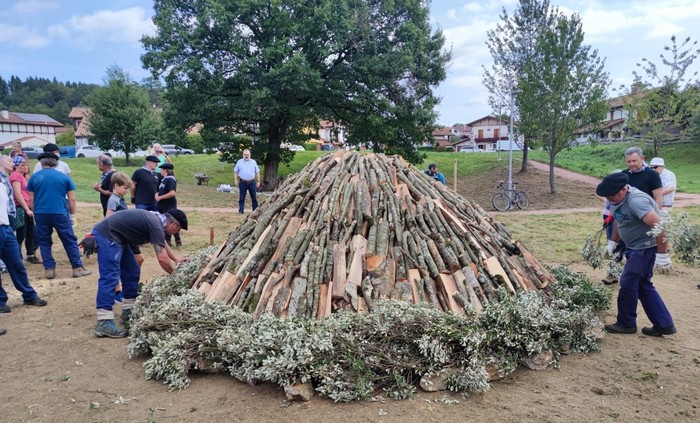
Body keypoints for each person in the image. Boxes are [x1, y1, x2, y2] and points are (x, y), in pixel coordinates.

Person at [596, 172, 676, 337]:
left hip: (645, 248)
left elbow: (659, 227)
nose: (610, 200)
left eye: (612, 197)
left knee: (628, 281)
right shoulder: (617, 199)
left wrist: (662, 255)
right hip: (634, 247)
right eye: (607, 198)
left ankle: (626, 323)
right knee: (642, 285)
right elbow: (619, 218)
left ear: (624, 189)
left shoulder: (637, 201)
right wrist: (613, 242)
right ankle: (664, 324)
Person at [91, 208, 189, 338]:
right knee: (110, 277)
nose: (177, 232)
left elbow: (163, 243)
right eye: (179, 229)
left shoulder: (157, 221)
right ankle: (104, 322)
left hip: (120, 238)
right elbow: (162, 258)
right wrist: (175, 275)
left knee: (132, 271)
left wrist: (176, 259)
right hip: (108, 235)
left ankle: (128, 311)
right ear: (173, 224)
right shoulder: (156, 224)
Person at [27, 153, 91, 280]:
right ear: (56, 163)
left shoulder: (34, 178)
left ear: (41, 163)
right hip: (60, 212)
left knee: (44, 242)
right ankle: (77, 268)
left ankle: (49, 270)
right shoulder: (64, 177)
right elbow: (71, 199)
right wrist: (72, 213)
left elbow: (31, 199)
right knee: (69, 240)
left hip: (41, 213)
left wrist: (36, 211)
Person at [0, 155, 48, 314]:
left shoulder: (5, 180)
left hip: (6, 228)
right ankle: (1, 301)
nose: (11, 162)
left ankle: (29, 295)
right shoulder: (9, 178)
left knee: (16, 263)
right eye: (8, 160)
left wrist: (10, 223)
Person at [621, 147, 670, 272]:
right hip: (629, 217)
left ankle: (657, 261)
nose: (631, 164)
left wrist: (654, 218)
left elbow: (658, 200)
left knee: (645, 247)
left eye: (634, 161)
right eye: (628, 161)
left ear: (642, 159)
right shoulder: (624, 175)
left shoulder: (652, 175)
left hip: (647, 215)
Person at [10, 156, 40, 264]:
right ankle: (17, 256)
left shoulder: (23, 176)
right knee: (21, 233)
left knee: (31, 232)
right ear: (16, 166)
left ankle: (30, 254)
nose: (25, 166)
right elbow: (18, 194)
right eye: (22, 165)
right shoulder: (15, 176)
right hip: (21, 208)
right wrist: (27, 209)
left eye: (26, 164)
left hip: (27, 207)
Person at [155, 163, 181, 247]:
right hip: (162, 205)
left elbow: (172, 193)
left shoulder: (170, 180)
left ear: (165, 170)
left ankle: (173, 240)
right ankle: (170, 240)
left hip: (168, 205)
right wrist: (157, 195)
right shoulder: (164, 179)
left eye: (161, 169)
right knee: (166, 222)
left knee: (170, 222)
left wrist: (160, 197)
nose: (160, 171)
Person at [234, 149, 260, 214]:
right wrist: (236, 180)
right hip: (242, 182)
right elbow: (236, 172)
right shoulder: (239, 162)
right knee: (242, 197)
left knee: (254, 197)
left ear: (250, 155)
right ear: (243, 154)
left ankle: (255, 211)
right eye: (245, 154)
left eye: (247, 154)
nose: (246, 156)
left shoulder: (253, 162)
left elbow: (257, 172)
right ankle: (241, 211)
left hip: (252, 182)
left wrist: (258, 181)